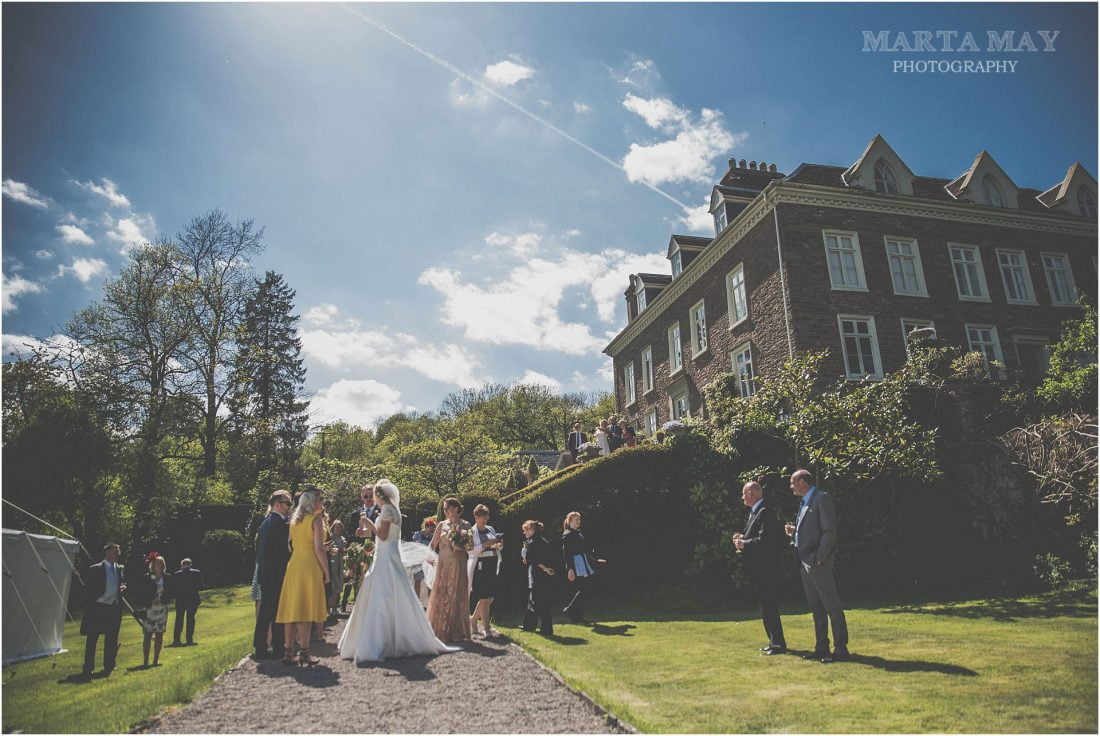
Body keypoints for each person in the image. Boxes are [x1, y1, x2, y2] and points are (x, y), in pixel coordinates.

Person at [339, 480, 456, 662]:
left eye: (374, 495)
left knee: (381, 593)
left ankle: (380, 639)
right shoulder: (394, 510)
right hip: (387, 553)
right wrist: (365, 533)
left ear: (379, 495)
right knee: (394, 592)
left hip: (385, 557)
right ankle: (398, 635)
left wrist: (368, 524)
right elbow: (384, 534)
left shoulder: (386, 510)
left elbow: (383, 535)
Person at [785, 469, 849, 663]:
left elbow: (829, 531)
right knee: (816, 607)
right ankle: (822, 647)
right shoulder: (804, 502)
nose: (791, 486)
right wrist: (795, 531)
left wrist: (820, 558)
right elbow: (811, 529)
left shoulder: (822, 499)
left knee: (832, 606)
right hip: (805, 561)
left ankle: (840, 650)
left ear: (803, 482)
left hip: (816, 562)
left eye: (793, 482)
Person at [276, 488, 330, 666]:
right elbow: (319, 549)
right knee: (306, 610)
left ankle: (288, 651)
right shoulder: (315, 521)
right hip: (309, 566)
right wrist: (326, 571)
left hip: (294, 564)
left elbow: (290, 545)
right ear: (312, 503)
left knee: (292, 609)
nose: (322, 503)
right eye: (319, 500)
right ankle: (305, 653)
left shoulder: (294, 521)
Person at [733, 482, 787, 655]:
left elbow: (766, 541)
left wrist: (744, 543)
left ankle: (778, 644)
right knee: (764, 606)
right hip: (758, 569)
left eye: (743, 493)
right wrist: (743, 537)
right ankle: (773, 642)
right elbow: (756, 536)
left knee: (769, 606)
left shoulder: (765, 512)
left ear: (751, 493)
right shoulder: (755, 512)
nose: (742, 497)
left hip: (766, 569)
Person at [253, 489, 292, 661]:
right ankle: (275, 646)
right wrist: (283, 573)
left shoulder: (266, 522)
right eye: (287, 504)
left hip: (267, 574)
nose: (290, 507)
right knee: (275, 612)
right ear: (277, 504)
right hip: (275, 575)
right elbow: (279, 552)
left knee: (267, 612)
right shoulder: (278, 523)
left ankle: (264, 646)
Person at [426, 497, 473, 642]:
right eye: (445, 509)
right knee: (442, 594)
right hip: (443, 564)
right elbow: (433, 544)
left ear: (457, 509)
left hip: (459, 563)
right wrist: (429, 556)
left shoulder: (465, 525)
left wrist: (459, 546)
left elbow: (470, 547)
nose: (446, 511)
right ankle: (439, 628)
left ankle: (456, 630)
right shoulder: (441, 524)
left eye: (449, 508)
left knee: (457, 595)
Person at [81, 543, 126, 677]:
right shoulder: (95, 569)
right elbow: (88, 590)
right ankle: (88, 667)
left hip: (114, 607)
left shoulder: (119, 568)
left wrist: (124, 587)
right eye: (113, 552)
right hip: (98, 607)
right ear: (106, 553)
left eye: (118, 553)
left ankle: (109, 665)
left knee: (112, 638)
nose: (116, 555)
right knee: (92, 638)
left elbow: (122, 582)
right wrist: (90, 606)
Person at [561, 512, 605, 624]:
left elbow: (586, 549)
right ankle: (570, 610)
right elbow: (567, 554)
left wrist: (595, 560)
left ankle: (577, 617)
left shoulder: (578, 533)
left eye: (579, 520)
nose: (578, 522)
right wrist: (570, 569)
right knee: (585, 589)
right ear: (570, 521)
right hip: (577, 564)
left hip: (583, 562)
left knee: (584, 589)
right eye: (576, 520)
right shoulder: (568, 535)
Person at [341, 484, 379, 611]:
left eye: (371, 495)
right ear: (361, 497)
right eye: (366, 496)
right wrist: (355, 534)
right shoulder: (355, 514)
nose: (369, 498)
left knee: (374, 583)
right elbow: (349, 536)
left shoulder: (380, 512)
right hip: (359, 553)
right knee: (358, 582)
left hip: (376, 551)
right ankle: (358, 609)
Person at [468, 504, 503, 637]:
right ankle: (487, 628)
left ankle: (473, 620)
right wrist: (484, 545)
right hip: (480, 565)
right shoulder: (471, 532)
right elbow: (470, 550)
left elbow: (497, 547)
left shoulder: (491, 529)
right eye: (482, 517)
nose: (485, 519)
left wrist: (498, 545)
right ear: (476, 517)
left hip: (492, 563)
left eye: (486, 516)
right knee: (484, 597)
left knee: (490, 598)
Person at [520, 520, 556, 636]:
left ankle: (547, 629)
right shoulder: (541, 540)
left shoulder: (533, 543)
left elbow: (536, 560)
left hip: (538, 575)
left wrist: (545, 568)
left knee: (540, 602)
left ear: (531, 529)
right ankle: (529, 625)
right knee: (534, 600)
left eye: (525, 530)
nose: (524, 533)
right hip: (542, 575)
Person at [135, 554, 169, 667]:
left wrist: (163, 598)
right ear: (152, 566)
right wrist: (151, 598)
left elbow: (171, 591)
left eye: (160, 564)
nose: (158, 566)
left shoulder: (167, 577)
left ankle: (156, 660)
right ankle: (145, 661)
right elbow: (142, 592)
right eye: (156, 564)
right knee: (148, 634)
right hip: (150, 609)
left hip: (162, 609)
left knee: (159, 634)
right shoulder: (147, 577)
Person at [170, 557, 202, 646]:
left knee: (179, 619)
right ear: (190, 564)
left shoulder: (177, 574)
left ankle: (176, 640)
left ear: (182, 565)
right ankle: (189, 640)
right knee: (190, 619)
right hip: (192, 599)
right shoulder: (197, 573)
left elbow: (174, 588)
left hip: (181, 599)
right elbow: (200, 585)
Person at [411, 516, 437, 600]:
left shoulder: (432, 536)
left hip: (428, 562)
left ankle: (430, 602)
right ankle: (417, 601)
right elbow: (418, 545)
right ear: (426, 527)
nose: (432, 531)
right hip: (419, 561)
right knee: (418, 581)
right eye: (431, 529)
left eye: (433, 529)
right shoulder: (417, 534)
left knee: (429, 582)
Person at [327, 520, 347, 618]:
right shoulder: (330, 538)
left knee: (337, 587)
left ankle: (334, 608)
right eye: (336, 527)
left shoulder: (343, 539)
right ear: (333, 527)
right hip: (332, 564)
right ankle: (330, 608)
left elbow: (343, 550)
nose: (338, 529)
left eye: (340, 527)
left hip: (340, 564)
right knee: (332, 586)